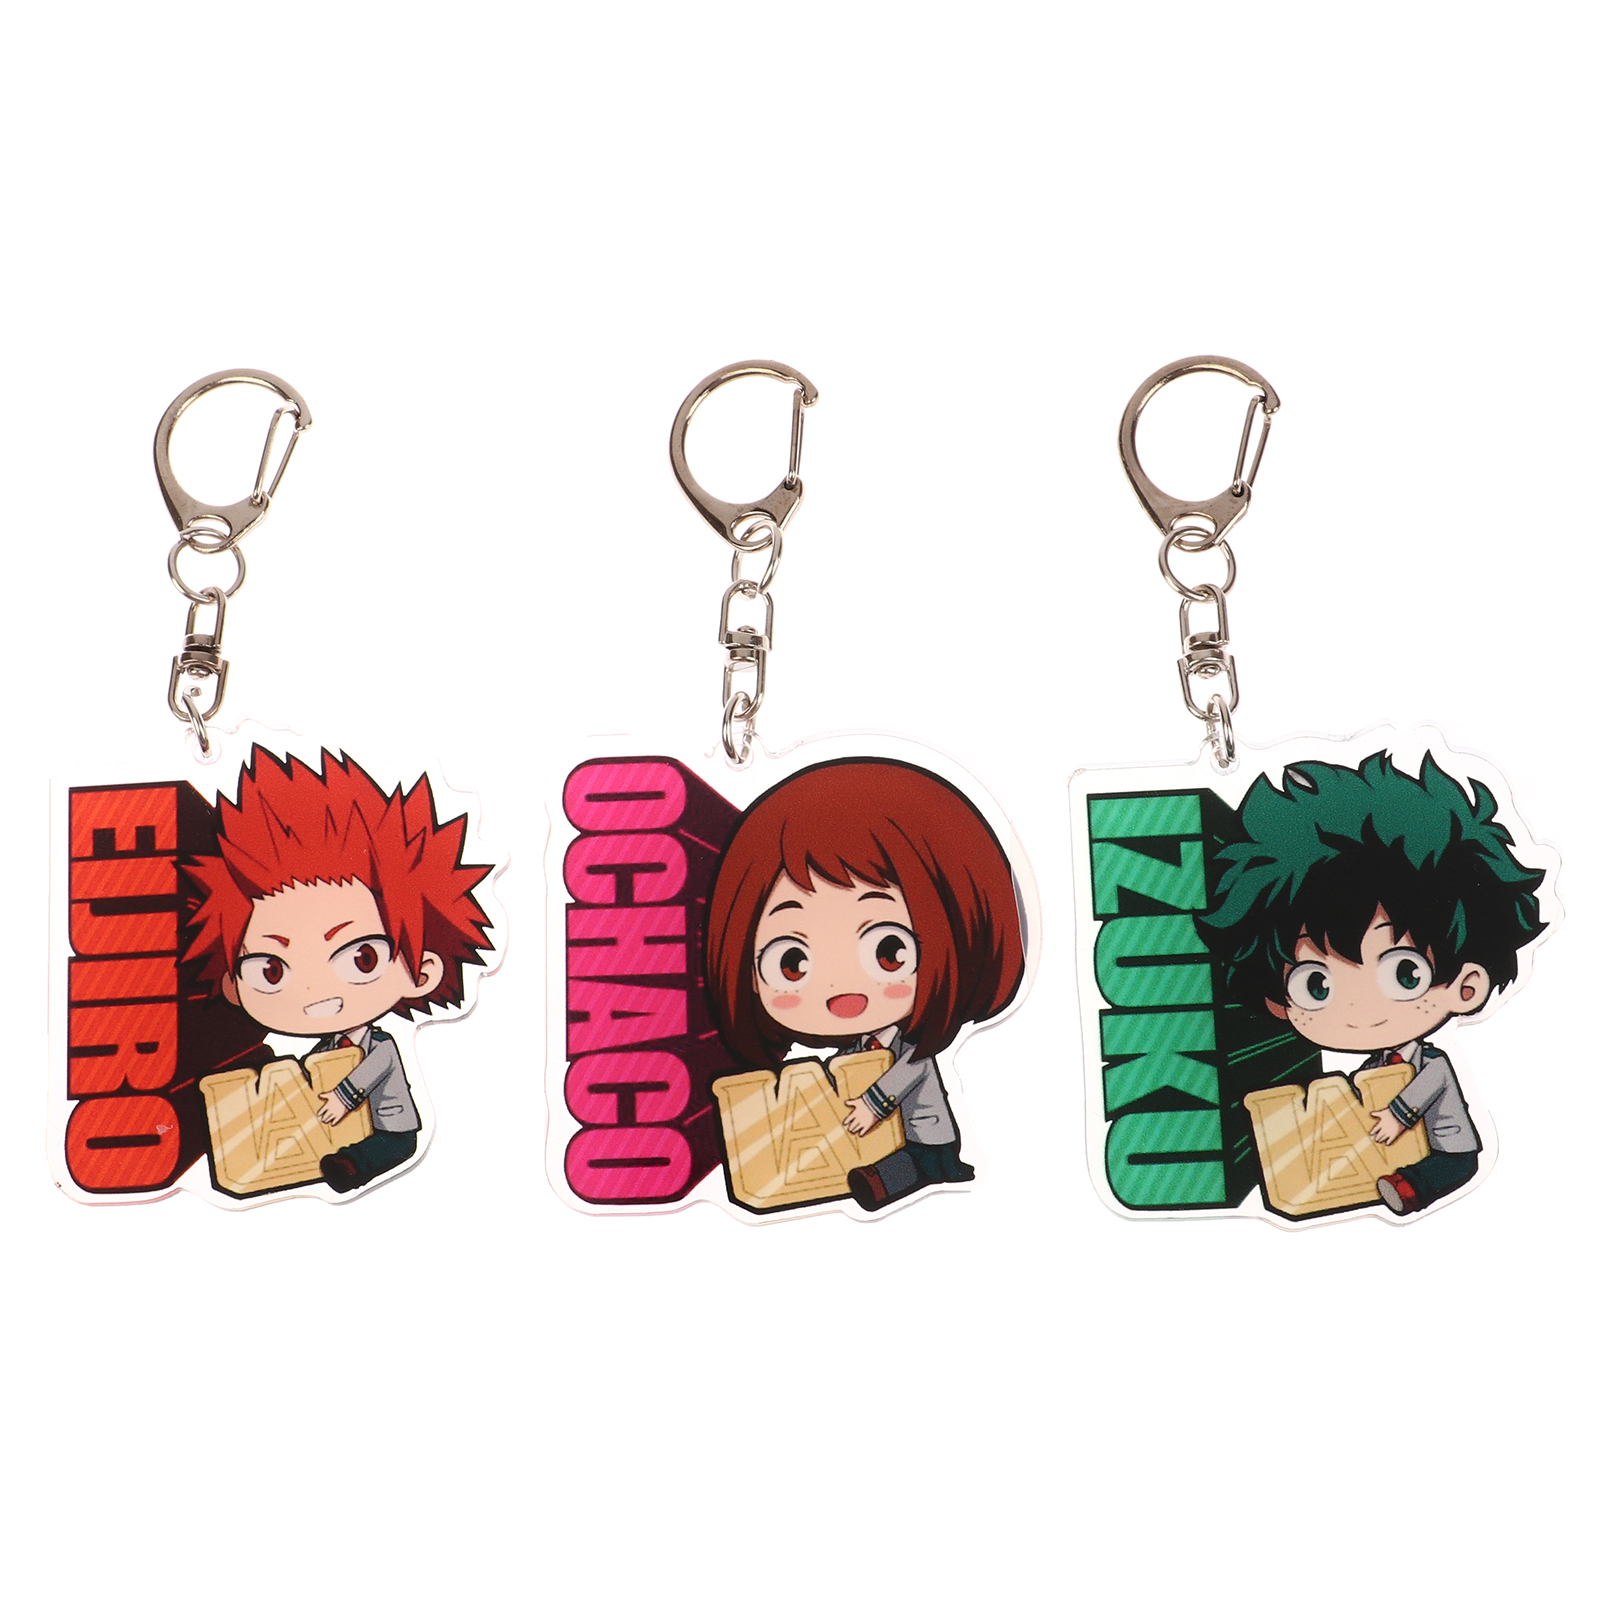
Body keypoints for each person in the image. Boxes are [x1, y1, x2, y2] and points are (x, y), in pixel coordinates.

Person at [1199, 751, 1544, 1215]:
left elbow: (1428, 1086)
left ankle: (1409, 1189)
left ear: (1467, 986)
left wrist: (1399, 1115)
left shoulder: (1430, 1063)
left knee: (1446, 1167)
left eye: (1405, 974)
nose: (1359, 1009)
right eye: (1316, 985)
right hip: (1392, 1146)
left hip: (1446, 1148)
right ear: (1278, 1002)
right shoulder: (1379, 1066)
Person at [705, 759, 1025, 1211]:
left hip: (925, 1138)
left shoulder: (913, 1044)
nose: (841, 987)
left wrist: (874, 1104)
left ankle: (889, 1182)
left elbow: (908, 1072)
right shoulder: (859, 1050)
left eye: (889, 951)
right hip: (877, 1142)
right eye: (792, 962)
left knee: (914, 1168)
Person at [186, 747, 494, 1193]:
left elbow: (373, 1070)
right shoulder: (328, 1049)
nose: (316, 992)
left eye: (361, 958)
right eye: (271, 970)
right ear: (233, 986)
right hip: (336, 1128)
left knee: (386, 1146)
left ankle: (350, 1167)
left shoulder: (380, 1046)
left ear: (422, 971)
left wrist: (345, 1096)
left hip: (390, 1128)